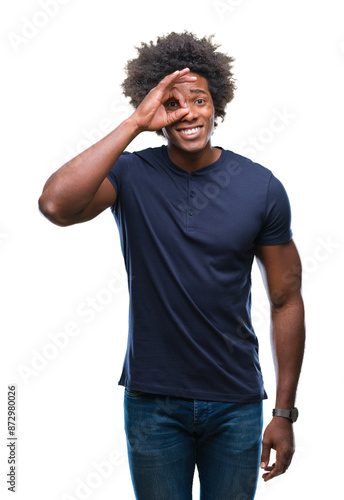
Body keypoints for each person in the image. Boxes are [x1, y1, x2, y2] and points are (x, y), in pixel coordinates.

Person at [38, 32, 305, 500]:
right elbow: (56, 205)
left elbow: (286, 299)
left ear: (216, 106)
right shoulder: (129, 174)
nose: (187, 113)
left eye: (198, 100)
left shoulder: (261, 187)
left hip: (236, 402)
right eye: (172, 102)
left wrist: (283, 413)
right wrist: (136, 121)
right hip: (153, 402)